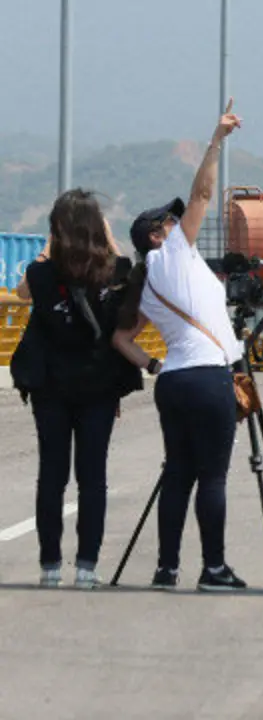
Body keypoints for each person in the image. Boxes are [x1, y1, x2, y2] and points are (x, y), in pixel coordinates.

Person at [112, 101, 247, 592]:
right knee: (212, 478)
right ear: (157, 235)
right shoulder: (173, 252)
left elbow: (120, 337)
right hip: (209, 377)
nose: (179, 223)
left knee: (178, 475)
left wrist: (153, 364)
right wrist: (216, 141)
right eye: (170, 222)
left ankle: (166, 569)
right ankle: (213, 569)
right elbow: (203, 193)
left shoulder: (145, 282)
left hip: (173, 382)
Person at [12, 189, 140, 589]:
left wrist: (52, 245)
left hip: (50, 388)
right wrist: (105, 235)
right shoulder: (113, 270)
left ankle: (50, 566)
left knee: (52, 474)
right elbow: (125, 269)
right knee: (93, 477)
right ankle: (86, 567)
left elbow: (22, 291)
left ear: (57, 229)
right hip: (98, 388)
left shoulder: (41, 274)